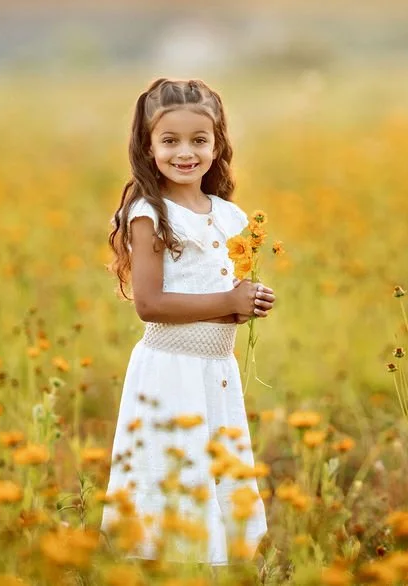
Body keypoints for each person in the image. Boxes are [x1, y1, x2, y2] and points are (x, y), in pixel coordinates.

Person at [100, 77, 276, 567]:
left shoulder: (231, 216)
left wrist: (249, 302)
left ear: (218, 144)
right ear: (147, 145)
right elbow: (150, 304)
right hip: (169, 372)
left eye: (199, 140)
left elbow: (223, 300)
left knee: (213, 474)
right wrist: (227, 298)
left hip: (214, 372)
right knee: (172, 477)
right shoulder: (149, 213)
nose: (185, 152)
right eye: (170, 140)